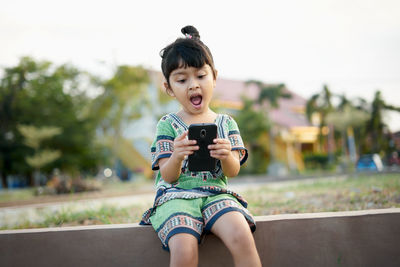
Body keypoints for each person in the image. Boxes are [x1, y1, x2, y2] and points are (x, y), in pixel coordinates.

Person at [140, 25, 261, 267]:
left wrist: (226, 155)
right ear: (169, 88)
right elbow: (167, 175)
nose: (193, 85)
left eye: (201, 76)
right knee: (184, 248)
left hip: (217, 194)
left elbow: (233, 171)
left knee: (242, 236)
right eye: (182, 80)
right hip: (176, 197)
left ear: (214, 77)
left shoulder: (226, 123)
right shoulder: (167, 125)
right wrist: (176, 155)